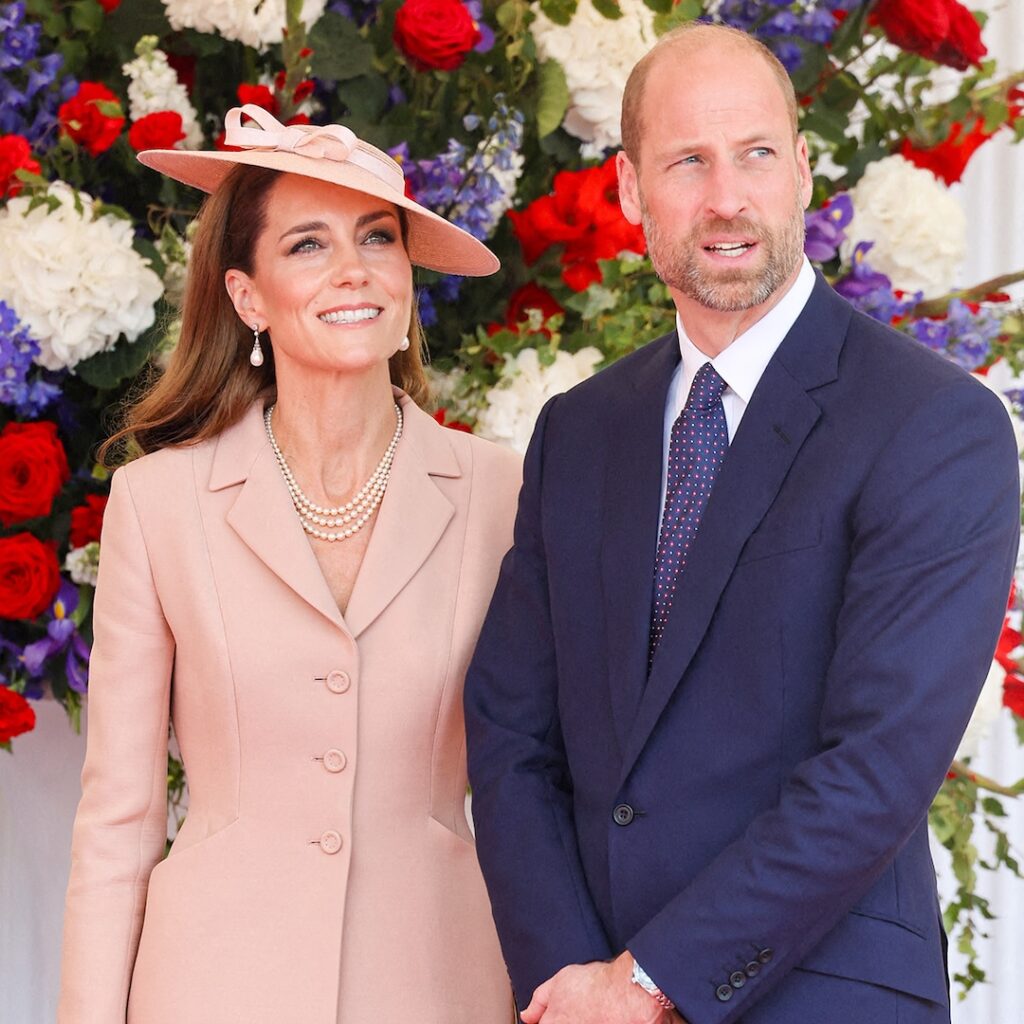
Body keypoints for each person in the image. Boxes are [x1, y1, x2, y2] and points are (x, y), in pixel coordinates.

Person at [464, 23, 1020, 1024]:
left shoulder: (932, 422)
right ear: (631, 190)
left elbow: (878, 764)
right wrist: (570, 982)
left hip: (824, 996)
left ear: (802, 170)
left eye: (756, 153)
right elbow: (511, 730)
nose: (726, 197)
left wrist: (646, 983)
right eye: (688, 161)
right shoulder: (578, 433)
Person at [58, 105, 521, 1024]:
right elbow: (118, 824)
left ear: (406, 275)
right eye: (307, 245)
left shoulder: (504, 493)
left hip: (441, 984)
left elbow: (553, 787)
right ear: (246, 297)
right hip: (209, 990)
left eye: (377, 238)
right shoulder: (158, 505)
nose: (353, 270)